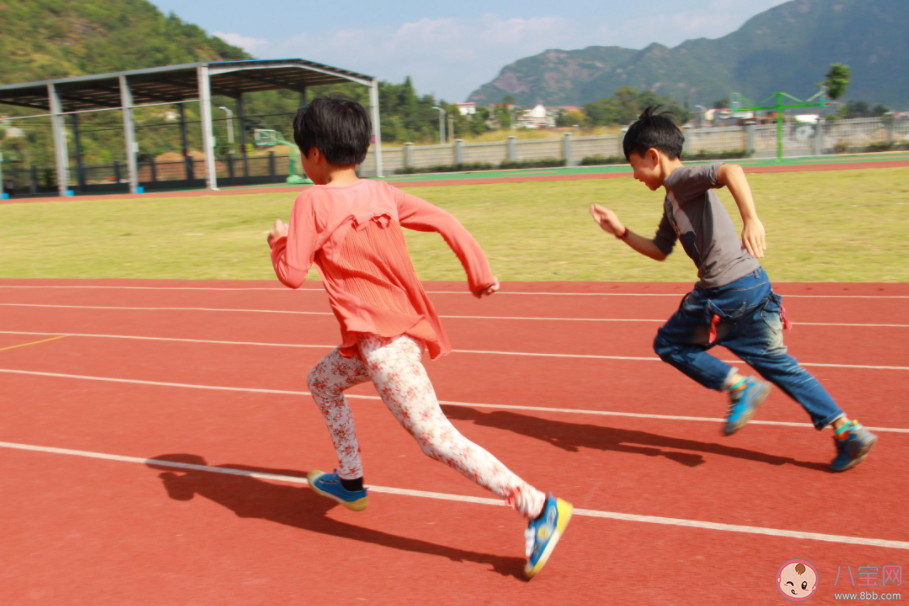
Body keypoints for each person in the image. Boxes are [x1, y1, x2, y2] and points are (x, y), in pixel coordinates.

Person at [267, 96, 571, 578]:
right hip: (382, 340)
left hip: (385, 348)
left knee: (434, 437)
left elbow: (291, 274)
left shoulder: (311, 201)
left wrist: (279, 242)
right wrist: (479, 274)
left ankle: (536, 506)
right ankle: (350, 480)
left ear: (315, 155)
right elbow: (446, 221)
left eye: (302, 154)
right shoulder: (383, 192)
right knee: (322, 381)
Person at [588, 106, 876, 472]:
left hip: (726, 293)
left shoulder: (682, 180)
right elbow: (660, 251)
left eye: (633, 165)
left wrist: (751, 219)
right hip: (753, 286)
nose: (633, 175)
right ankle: (847, 431)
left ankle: (739, 387)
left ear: (653, 156)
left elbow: (729, 170)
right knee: (780, 366)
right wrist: (622, 232)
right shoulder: (672, 199)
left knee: (669, 343)